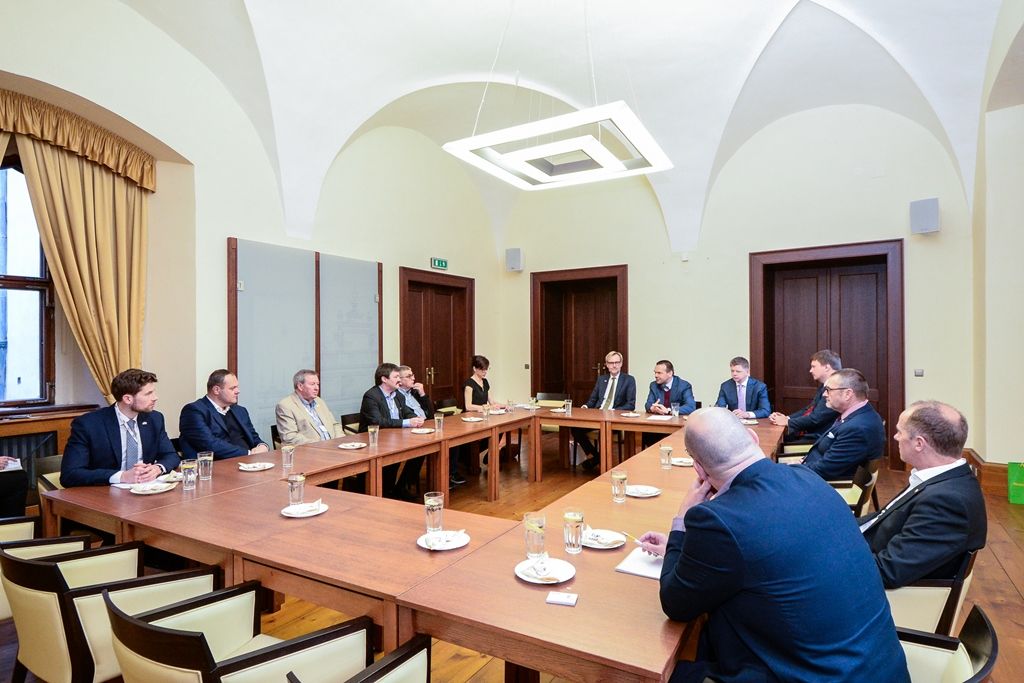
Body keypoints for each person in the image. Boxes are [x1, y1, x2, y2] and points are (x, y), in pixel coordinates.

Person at [639, 408, 908, 682]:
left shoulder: (717, 520)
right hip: (880, 665)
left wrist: (682, 521)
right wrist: (689, 549)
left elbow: (675, 603)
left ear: (698, 468)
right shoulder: (808, 478)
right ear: (753, 438)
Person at [860, 401, 987, 588]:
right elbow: (881, 520)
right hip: (866, 551)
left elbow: (887, 571)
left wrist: (826, 556)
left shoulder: (947, 502)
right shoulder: (938, 478)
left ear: (919, 443)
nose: (895, 437)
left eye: (900, 432)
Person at [60, 369, 180, 487]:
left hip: (146, 490)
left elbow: (171, 455)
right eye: (148, 394)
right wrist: (122, 476)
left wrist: (157, 468)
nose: (155, 397)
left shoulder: (154, 419)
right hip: (104, 495)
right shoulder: (88, 424)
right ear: (127, 399)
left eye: (153, 392)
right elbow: (70, 474)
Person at [801, 368, 885, 481]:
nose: (824, 394)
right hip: (814, 469)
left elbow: (825, 470)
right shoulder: (857, 414)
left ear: (847, 394)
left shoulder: (857, 428)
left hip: (825, 485)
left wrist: (796, 468)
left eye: (828, 390)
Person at [360, 363, 424, 499]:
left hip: (395, 438)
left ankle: (400, 488)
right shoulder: (371, 396)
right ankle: (384, 492)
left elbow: (407, 412)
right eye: (396, 377)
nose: (399, 380)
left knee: (420, 452)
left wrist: (415, 419)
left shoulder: (397, 395)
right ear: (384, 379)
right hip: (374, 442)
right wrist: (407, 422)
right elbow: (378, 421)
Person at [178, 369, 269, 459]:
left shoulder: (240, 411)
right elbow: (209, 444)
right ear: (216, 390)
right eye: (232, 388)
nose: (238, 391)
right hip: (215, 467)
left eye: (237, 387)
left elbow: (254, 438)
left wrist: (263, 446)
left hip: (249, 464)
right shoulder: (194, 411)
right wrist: (248, 453)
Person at [574, 351, 636, 470]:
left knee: (604, 430)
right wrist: (586, 407)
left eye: (617, 362)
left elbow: (630, 405)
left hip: (615, 418)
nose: (614, 365)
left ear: (621, 364)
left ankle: (600, 462)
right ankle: (596, 457)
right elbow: (593, 399)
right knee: (576, 428)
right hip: (598, 415)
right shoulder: (601, 379)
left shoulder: (629, 380)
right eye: (611, 363)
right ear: (606, 365)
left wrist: (612, 411)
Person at [768, 349, 841, 442]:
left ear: (826, 367)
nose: (810, 371)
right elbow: (809, 409)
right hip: (813, 433)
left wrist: (787, 422)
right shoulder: (824, 385)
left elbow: (816, 419)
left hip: (819, 439)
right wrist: (787, 418)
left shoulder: (837, 387)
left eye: (813, 366)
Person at [395, 365, 433, 492]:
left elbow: (431, 414)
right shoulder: (396, 396)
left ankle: (450, 475)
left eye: (413, 375)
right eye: (409, 376)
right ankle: (403, 485)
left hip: (425, 426)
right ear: (399, 380)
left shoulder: (414, 393)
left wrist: (422, 394)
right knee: (420, 450)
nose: (413, 378)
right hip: (409, 430)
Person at [276, 369, 338, 446]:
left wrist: (340, 441)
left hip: (333, 448)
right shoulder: (285, 406)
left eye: (317, 384)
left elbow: (335, 425)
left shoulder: (319, 401)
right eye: (312, 384)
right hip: (309, 452)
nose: (317, 388)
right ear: (300, 386)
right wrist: (321, 445)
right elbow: (290, 437)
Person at [642, 360, 695, 447]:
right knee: (648, 434)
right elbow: (648, 404)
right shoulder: (653, 385)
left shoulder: (684, 386)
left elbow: (691, 407)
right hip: (657, 427)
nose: (656, 376)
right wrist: (652, 408)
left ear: (670, 373)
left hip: (677, 427)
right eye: (655, 373)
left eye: (659, 373)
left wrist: (669, 410)